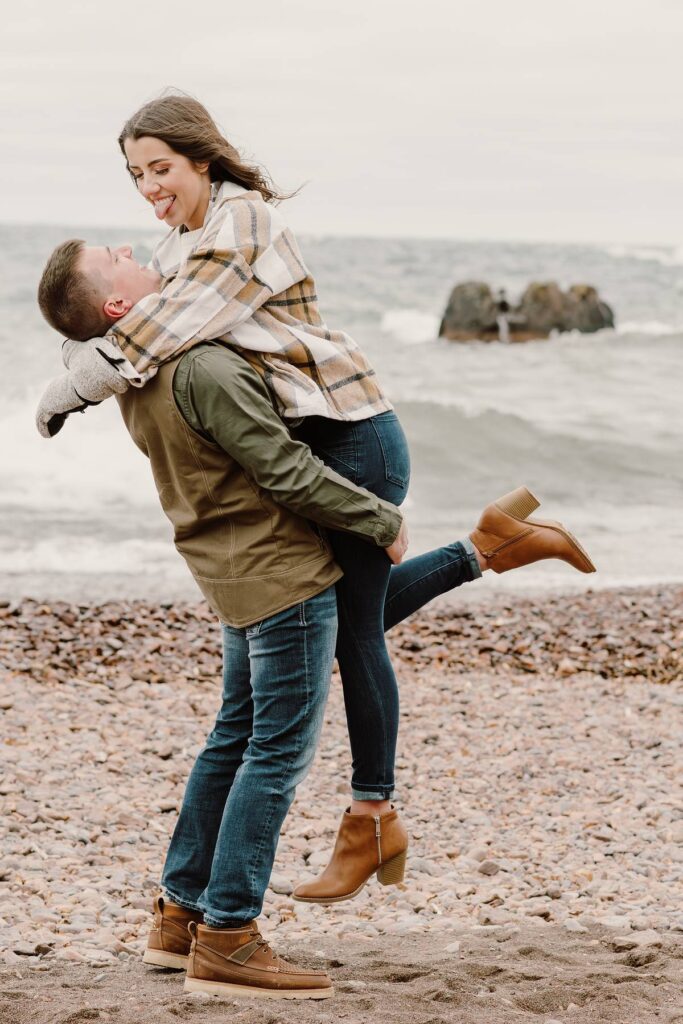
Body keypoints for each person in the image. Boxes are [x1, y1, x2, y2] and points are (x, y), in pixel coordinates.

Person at [36, 93, 596, 909]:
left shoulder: (242, 222)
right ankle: (490, 545)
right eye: (134, 175)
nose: (147, 189)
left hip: (350, 435)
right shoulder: (181, 238)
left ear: (202, 158)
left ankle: (371, 814)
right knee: (326, 627)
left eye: (160, 168)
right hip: (312, 441)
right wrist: (77, 349)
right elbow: (108, 315)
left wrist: (62, 395)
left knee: (349, 632)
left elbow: (151, 331)